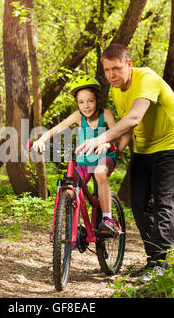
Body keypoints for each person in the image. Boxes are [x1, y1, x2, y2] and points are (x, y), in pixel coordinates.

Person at [75, 44, 174, 275]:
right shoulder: (117, 89)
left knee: (163, 203)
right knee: (137, 202)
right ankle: (153, 259)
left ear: (129, 64)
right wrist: (112, 150)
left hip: (169, 143)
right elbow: (127, 129)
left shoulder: (147, 80)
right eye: (106, 70)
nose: (111, 75)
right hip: (144, 146)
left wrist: (100, 139)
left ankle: (160, 264)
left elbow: (134, 117)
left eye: (116, 68)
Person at [32, 76, 129, 234]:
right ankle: (71, 226)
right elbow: (58, 128)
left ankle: (108, 219)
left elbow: (118, 134)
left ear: (97, 100)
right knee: (69, 188)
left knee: (99, 172)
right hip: (84, 161)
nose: (86, 106)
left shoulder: (106, 115)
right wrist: (41, 140)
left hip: (105, 157)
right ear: (77, 104)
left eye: (90, 101)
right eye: (81, 102)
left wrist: (107, 143)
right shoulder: (78, 116)